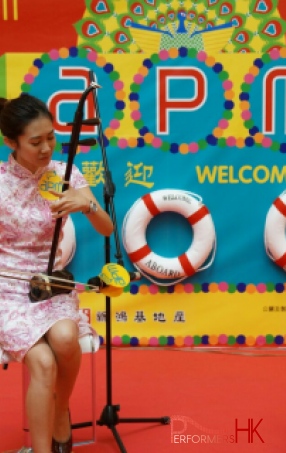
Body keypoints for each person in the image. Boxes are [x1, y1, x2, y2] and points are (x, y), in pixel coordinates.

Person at [0, 93, 114, 453]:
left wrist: (88, 203)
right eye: (36, 142)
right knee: (45, 364)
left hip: (50, 282)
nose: (47, 147)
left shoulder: (66, 174)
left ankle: (61, 409)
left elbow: (107, 229)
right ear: (11, 143)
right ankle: (43, 449)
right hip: (7, 288)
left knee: (66, 338)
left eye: (51, 137)